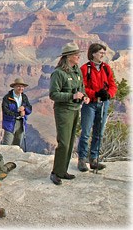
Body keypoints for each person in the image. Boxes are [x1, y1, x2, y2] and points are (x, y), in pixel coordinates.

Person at [49, 42, 90, 185]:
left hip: (74, 110)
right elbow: (53, 94)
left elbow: (81, 87)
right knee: (64, 143)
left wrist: (84, 96)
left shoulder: (76, 70)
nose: (78, 56)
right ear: (68, 56)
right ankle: (55, 172)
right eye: (75, 54)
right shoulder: (58, 73)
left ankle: (63, 171)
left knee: (71, 142)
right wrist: (71, 96)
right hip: (63, 111)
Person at [77, 43, 117, 172]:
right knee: (86, 132)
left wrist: (109, 94)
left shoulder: (106, 68)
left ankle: (93, 159)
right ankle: (82, 159)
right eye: (101, 53)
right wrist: (95, 94)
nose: (103, 55)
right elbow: (82, 87)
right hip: (90, 104)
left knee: (98, 133)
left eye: (104, 53)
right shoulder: (85, 68)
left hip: (104, 104)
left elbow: (113, 85)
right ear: (93, 53)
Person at [1, 77, 32, 149]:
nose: (21, 88)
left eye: (22, 86)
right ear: (14, 87)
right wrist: (18, 114)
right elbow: (6, 111)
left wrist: (24, 108)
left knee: (17, 146)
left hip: (21, 123)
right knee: (7, 145)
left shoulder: (24, 97)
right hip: (10, 124)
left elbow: (30, 109)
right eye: (18, 86)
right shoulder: (7, 98)